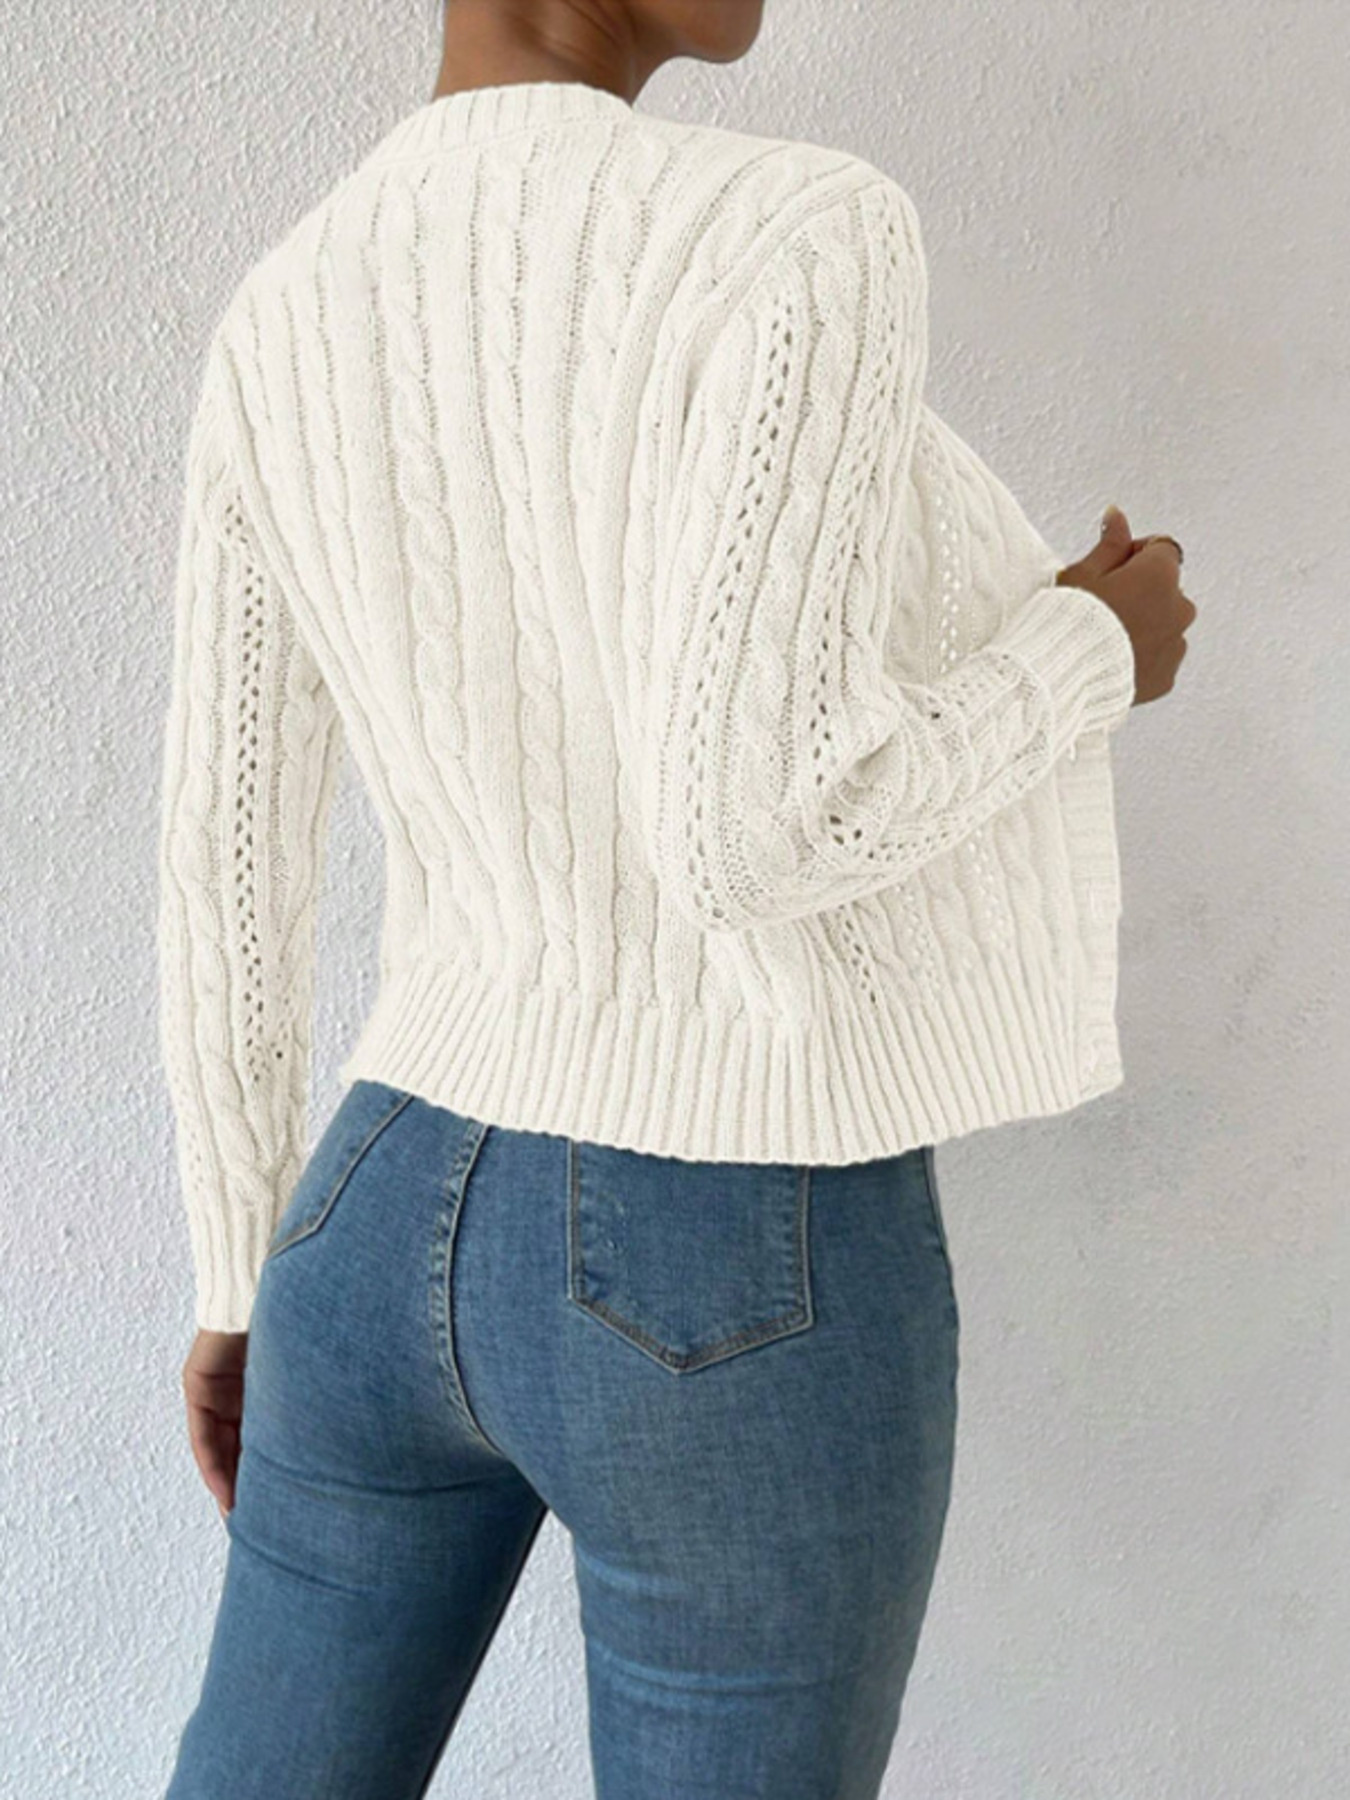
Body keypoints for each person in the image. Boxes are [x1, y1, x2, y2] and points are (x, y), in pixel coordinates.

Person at [157, 1, 1195, 1794]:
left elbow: (222, 858)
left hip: (368, 1221)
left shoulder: (288, 302)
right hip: (724, 1241)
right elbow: (767, 828)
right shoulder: (801, 229)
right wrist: (1087, 651)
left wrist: (232, 1267)